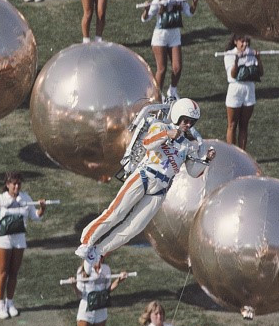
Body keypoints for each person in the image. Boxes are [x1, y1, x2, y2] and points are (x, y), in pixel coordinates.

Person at [75, 98, 215, 268]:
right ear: (177, 116)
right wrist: (166, 135)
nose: (188, 124)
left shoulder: (188, 145)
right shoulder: (161, 126)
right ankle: (87, 241)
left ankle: (99, 251)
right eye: (185, 120)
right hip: (144, 176)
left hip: (160, 189)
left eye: (191, 122)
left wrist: (206, 159)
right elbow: (148, 143)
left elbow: (194, 172)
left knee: (135, 227)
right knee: (116, 212)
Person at [0, 171, 46, 319]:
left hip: (19, 239)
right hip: (4, 240)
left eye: (19, 183)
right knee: (3, 272)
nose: (17, 186)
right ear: (7, 185)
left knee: (14, 273)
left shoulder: (25, 198)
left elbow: (36, 217)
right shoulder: (1, 198)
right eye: (14, 184)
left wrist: (42, 208)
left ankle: (10, 303)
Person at [141, 0, 198, 99]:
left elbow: (190, 13)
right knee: (161, 69)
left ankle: (172, 92)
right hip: (160, 37)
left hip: (174, 37)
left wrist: (194, 3)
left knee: (177, 68)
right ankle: (156, 95)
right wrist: (146, 9)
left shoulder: (179, 0)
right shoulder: (158, 1)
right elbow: (145, 19)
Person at [223, 33, 263, 150]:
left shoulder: (251, 53)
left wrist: (258, 60)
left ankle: (242, 154)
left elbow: (260, 73)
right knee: (232, 124)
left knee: (244, 125)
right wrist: (237, 60)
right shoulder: (229, 54)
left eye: (246, 41)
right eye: (242, 41)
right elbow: (233, 75)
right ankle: (231, 153)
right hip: (235, 90)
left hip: (249, 90)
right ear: (236, 41)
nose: (245, 44)